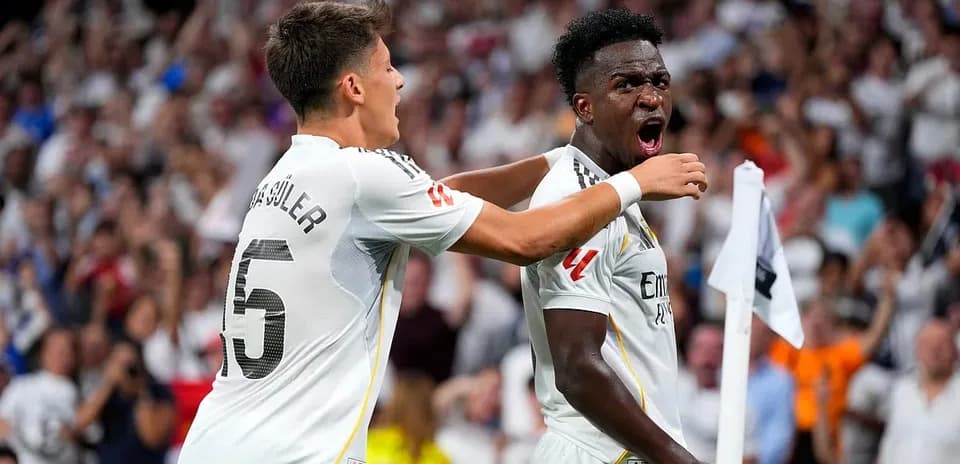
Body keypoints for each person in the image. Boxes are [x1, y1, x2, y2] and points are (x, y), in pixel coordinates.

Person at [178, 2, 708, 463]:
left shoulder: (284, 179)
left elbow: (438, 196)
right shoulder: (367, 173)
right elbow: (527, 240)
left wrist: (561, 161)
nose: (401, 80)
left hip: (213, 439)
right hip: (294, 453)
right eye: (388, 67)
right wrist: (635, 183)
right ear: (355, 87)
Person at [520, 9, 702, 464]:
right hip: (597, 451)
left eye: (660, 82)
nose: (651, 98)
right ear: (585, 107)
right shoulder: (578, 200)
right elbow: (577, 368)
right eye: (627, 85)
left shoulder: (614, 189)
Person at [877, 320, 960, 463]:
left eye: (942, 344)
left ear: (955, 351)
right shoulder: (901, 391)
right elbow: (890, 444)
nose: (934, 350)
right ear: (917, 350)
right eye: (927, 344)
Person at [678, 323, 758, 464]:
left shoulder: (738, 402)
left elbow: (749, 456)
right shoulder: (671, 389)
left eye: (715, 349)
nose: (707, 356)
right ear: (689, 352)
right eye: (701, 348)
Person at [0, 328, 79, 464]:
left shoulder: (78, 392)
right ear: (43, 353)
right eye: (58, 350)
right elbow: (2, 424)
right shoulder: (21, 385)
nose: (62, 356)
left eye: (67, 351)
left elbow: (80, 429)